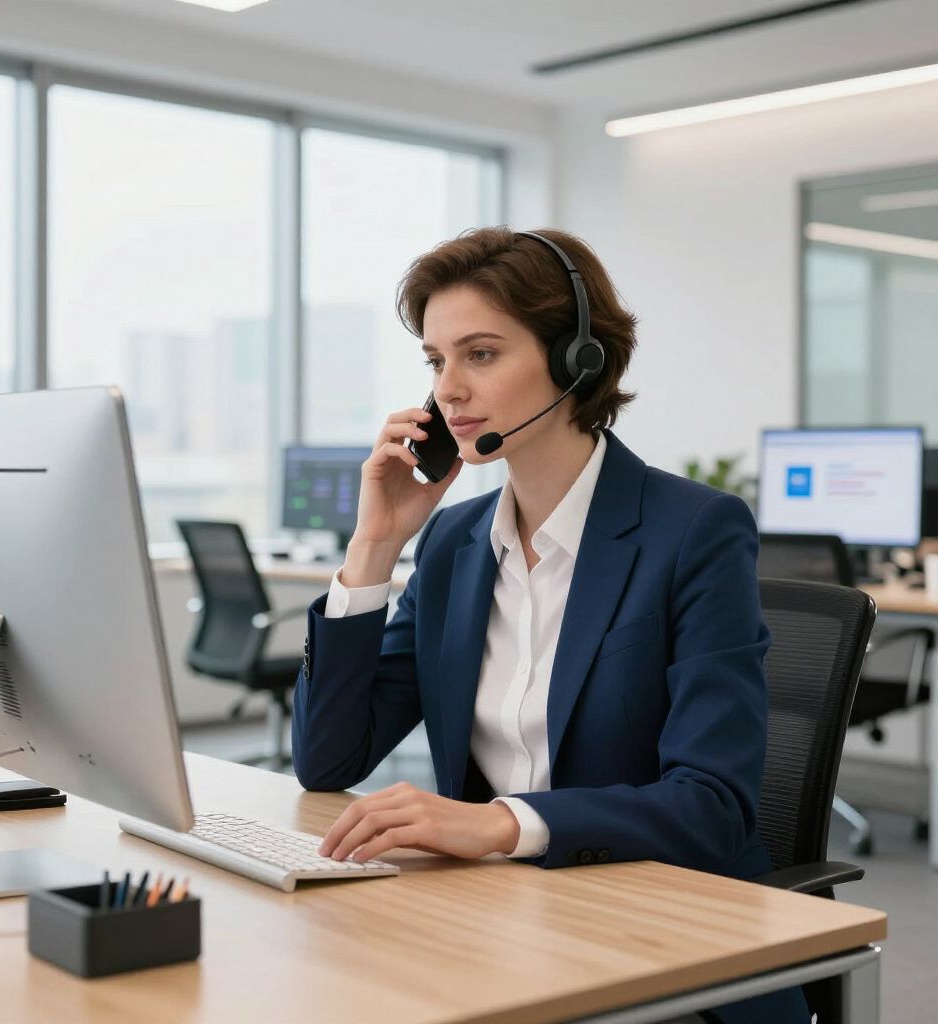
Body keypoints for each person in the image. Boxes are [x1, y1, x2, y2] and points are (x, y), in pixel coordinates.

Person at [291, 226, 808, 1024]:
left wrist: (501, 824)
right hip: (498, 927)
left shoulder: (693, 531)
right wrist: (374, 547)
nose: (447, 391)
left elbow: (713, 804)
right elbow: (328, 759)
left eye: (481, 354)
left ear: (578, 359)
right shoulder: (454, 544)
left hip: (663, 940)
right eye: (435, 361)